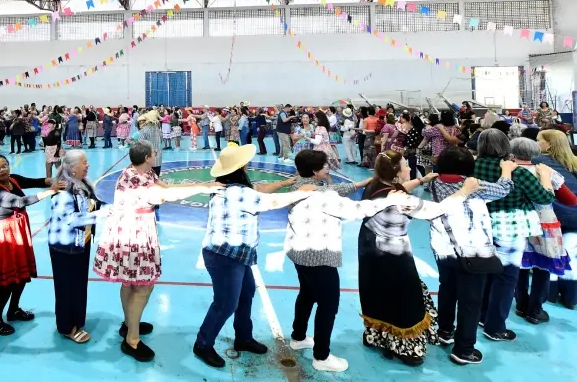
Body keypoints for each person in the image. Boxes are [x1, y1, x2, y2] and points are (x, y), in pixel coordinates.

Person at [192, 144, 322, 369]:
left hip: (237, 253)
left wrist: (284, 183)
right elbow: (272, 201)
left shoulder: (227, 187)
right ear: (239, 167)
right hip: (225, 255)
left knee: (246, 293)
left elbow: (259, 190)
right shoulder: (240, 194)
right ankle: (202, 344)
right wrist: (301, 191)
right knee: (226, 303)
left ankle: (243, 337)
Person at [94, 142, 222, 361]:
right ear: (146, 157)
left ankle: (129, 324)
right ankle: (132, 340)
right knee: (143, 286)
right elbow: (166, 196)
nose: (156, 154)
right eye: (153, 153)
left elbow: (166, 188)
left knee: (129, 283)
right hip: (135, 233)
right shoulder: (140, 182)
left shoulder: (139, 171)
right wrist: (204, 187)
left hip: (128, 229)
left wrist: (203, 185)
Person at [286, 150, 410, 372]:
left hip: (299, 254)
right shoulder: (322, 196)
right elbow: (356, 210)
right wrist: (389, 199)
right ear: (314, 171)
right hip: (319, 257)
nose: (328, 168)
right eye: (325, 166)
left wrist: (363, 183)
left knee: (307, 294)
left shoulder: (299, 186)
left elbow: (335, 190)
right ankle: (321, 356)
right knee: (328, 305)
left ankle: (298, 336)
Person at [359, 151, 457, 367]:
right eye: (405, 166)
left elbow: (400, 189)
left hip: (370, 249)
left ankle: (378, 336)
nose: (410, 168)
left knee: (377, 292)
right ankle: (406, 348)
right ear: (396, 172)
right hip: (393, 254)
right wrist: (466, 190)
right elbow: (438, 209)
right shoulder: (400, 200)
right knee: (404, 297)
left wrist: (422, 180)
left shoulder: (375, 186)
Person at [429, 146, 515, 365]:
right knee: (470, 301)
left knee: (447, 289)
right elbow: (503, 189)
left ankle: (444, 331)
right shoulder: (472, 185)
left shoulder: (435, 183)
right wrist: (506, 169)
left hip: (443, 247)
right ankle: (464, 349)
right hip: (471, 251)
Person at [473, 129, 555, 341]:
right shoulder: (517, 172)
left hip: (480, 226)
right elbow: (544, 198)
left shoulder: (473, 165)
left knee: (486, 274)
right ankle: (495, 327)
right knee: (506, 278)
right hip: (509, 229)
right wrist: (545, 178)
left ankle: (482, 316)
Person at [0, 155, 61, 336]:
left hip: (17, 231)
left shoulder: (12, 179)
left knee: (21, 274)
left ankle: (13, 310)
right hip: (2, 237)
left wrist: (53, 180)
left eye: (4, 165)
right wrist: (51, 191)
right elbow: (21, 202)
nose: (2, 170)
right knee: (8, 280)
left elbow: (34, 181)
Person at [508, 137, 568, 325]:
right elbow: (570, 199)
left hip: (516, 222)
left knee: (519, 263)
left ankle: (520, 303)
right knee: (543, 266)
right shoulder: (545, 171)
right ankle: (535, 310)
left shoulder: (507, 171)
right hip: (544, 223)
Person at [48, 150, 104, 344]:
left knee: (79, 285)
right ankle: (66, 326)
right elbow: (70, 219)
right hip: (65, 247)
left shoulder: (84, 183)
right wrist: (100, 215)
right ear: (72, 168)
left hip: (81, 242)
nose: (88, 165)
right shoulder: (64, 189)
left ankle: (77, 321)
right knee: (66, 287)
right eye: (84, 162)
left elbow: (94, 205)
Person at [534, 129, 577, 308]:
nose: (536, 143)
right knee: (571, 256)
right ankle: (571, 298)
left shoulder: (538, 162)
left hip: (554, 215)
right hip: (574, 216)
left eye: (538, 140)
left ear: (548, 144)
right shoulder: (574, 163)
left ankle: (549, 296)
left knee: (551, 254)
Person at [137, 110, 163, 176]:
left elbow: (140, 144)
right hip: (158, 159)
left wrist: (131, 142)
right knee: (156, 178)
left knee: (147, 179)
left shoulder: (144, 130)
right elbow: (161, 140)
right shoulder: (158, 130)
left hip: (147, 159)